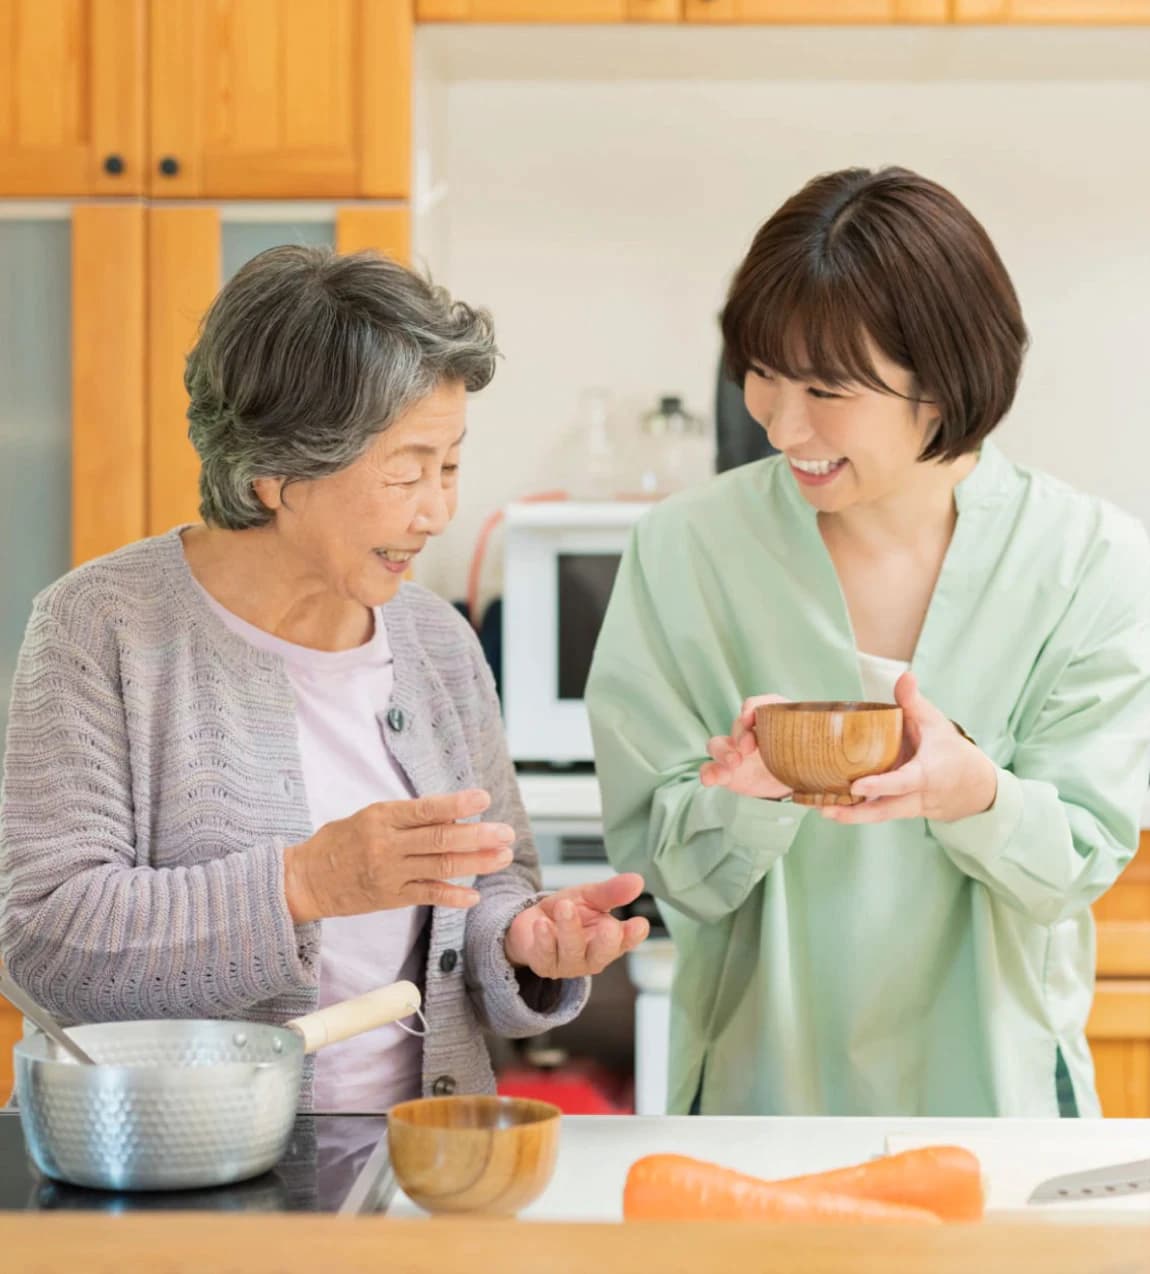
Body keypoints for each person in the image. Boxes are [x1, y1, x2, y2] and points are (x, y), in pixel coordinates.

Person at [0, 246, 648, 1112]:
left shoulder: (439, 644)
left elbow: (491, 886)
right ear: (276, 472)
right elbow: (46, 945)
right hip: (179, 1174)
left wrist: (526, 939)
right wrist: (303, 883)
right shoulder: (100, 627)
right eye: (406, 469)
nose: (438, 510)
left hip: (414, 1163)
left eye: (449, 465)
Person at [586, 167, 1150, 1118]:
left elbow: (1081, 862)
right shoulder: (686, 550)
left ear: (943, 378)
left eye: (827, 388)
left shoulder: (1087, 560)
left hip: (996, 1098)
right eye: (762, 373)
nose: (781, 421)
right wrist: (748, 800)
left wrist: (977, 793)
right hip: (754, 1104)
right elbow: (666, 872)